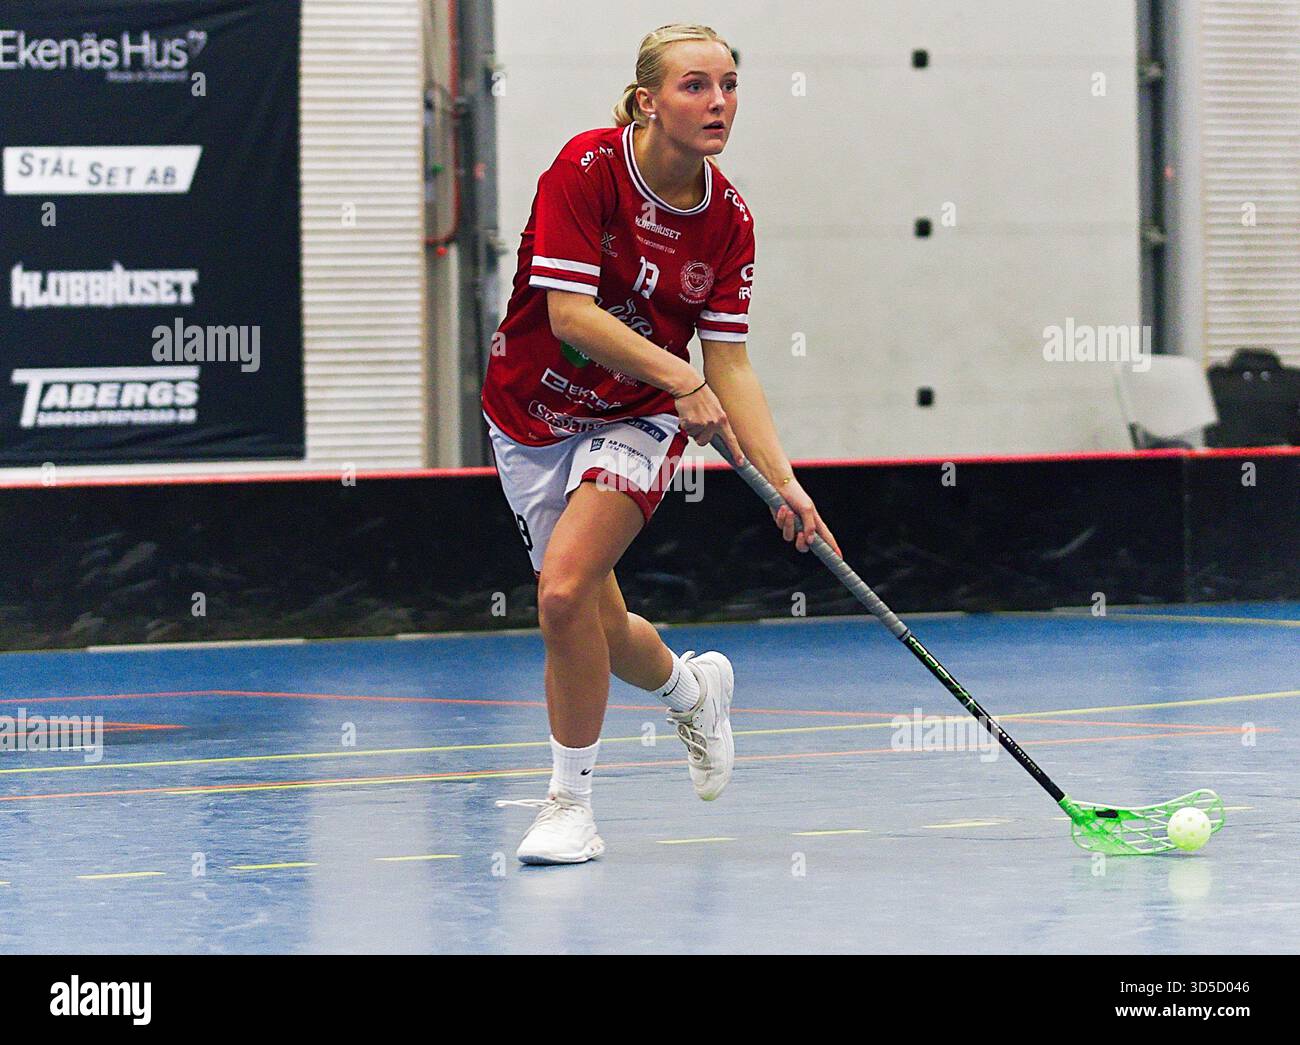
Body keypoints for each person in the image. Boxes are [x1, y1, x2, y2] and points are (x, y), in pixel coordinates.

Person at [482, 23, 840, 864]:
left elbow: (732, 366)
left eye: (729, 85)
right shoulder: (586, 167)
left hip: (636, 416)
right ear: (647, 101)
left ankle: (571, 803)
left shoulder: (729, 223)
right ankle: (692, 689)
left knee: (563, 594)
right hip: (530, 413)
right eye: (694, 86)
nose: (718, 102)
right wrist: (686, 381)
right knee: (598, 626)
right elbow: (571, 317)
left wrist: (785, 482)